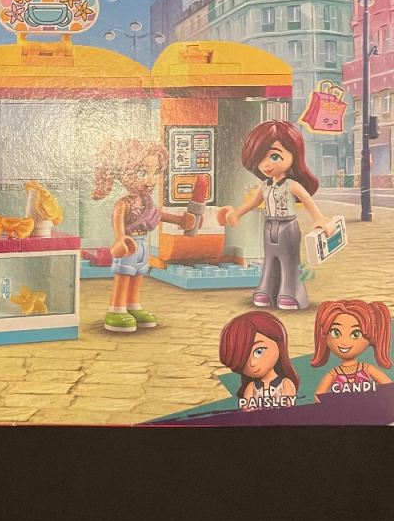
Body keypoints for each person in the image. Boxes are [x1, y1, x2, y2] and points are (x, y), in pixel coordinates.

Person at [217, 120, 333, 311]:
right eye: (260, 158)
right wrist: (236, 213)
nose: (266, 164)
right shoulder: (264, 186)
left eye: (274, 156)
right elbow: (253, 203)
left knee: (289, 260)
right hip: (269, 226)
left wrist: (319, 219)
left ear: (293, 155)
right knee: (270, 259)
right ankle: (267, 289)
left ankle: (291, 292)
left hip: (288, 227)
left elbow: (306, 200)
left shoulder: (291, 185)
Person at [92, 138, 194, 332]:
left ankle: (133, 306)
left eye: (155, 172)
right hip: (129, 244)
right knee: (124, 275)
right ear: (123, 173)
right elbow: (117, 221)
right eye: (142, 172)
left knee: (138, 274)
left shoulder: (147, 202)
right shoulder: (123, 203)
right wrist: (120, 240)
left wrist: (180, 221)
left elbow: (158, 215)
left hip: (143, 244)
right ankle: (116, 309)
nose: (150, 180)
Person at [312, 299, 392, 399]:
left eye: (356, 334)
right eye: (335, 333)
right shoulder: (333, 374)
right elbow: (318, 395)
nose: (344, 342)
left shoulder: (366, 369)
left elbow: (388, 385)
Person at [218, 311, 299, 409]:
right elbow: (247, 411)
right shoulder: (251, 388)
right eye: (244, 360)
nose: (252, 363)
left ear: (277, 342)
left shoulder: (285, 384)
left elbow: (289, 411)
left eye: (259, 351)